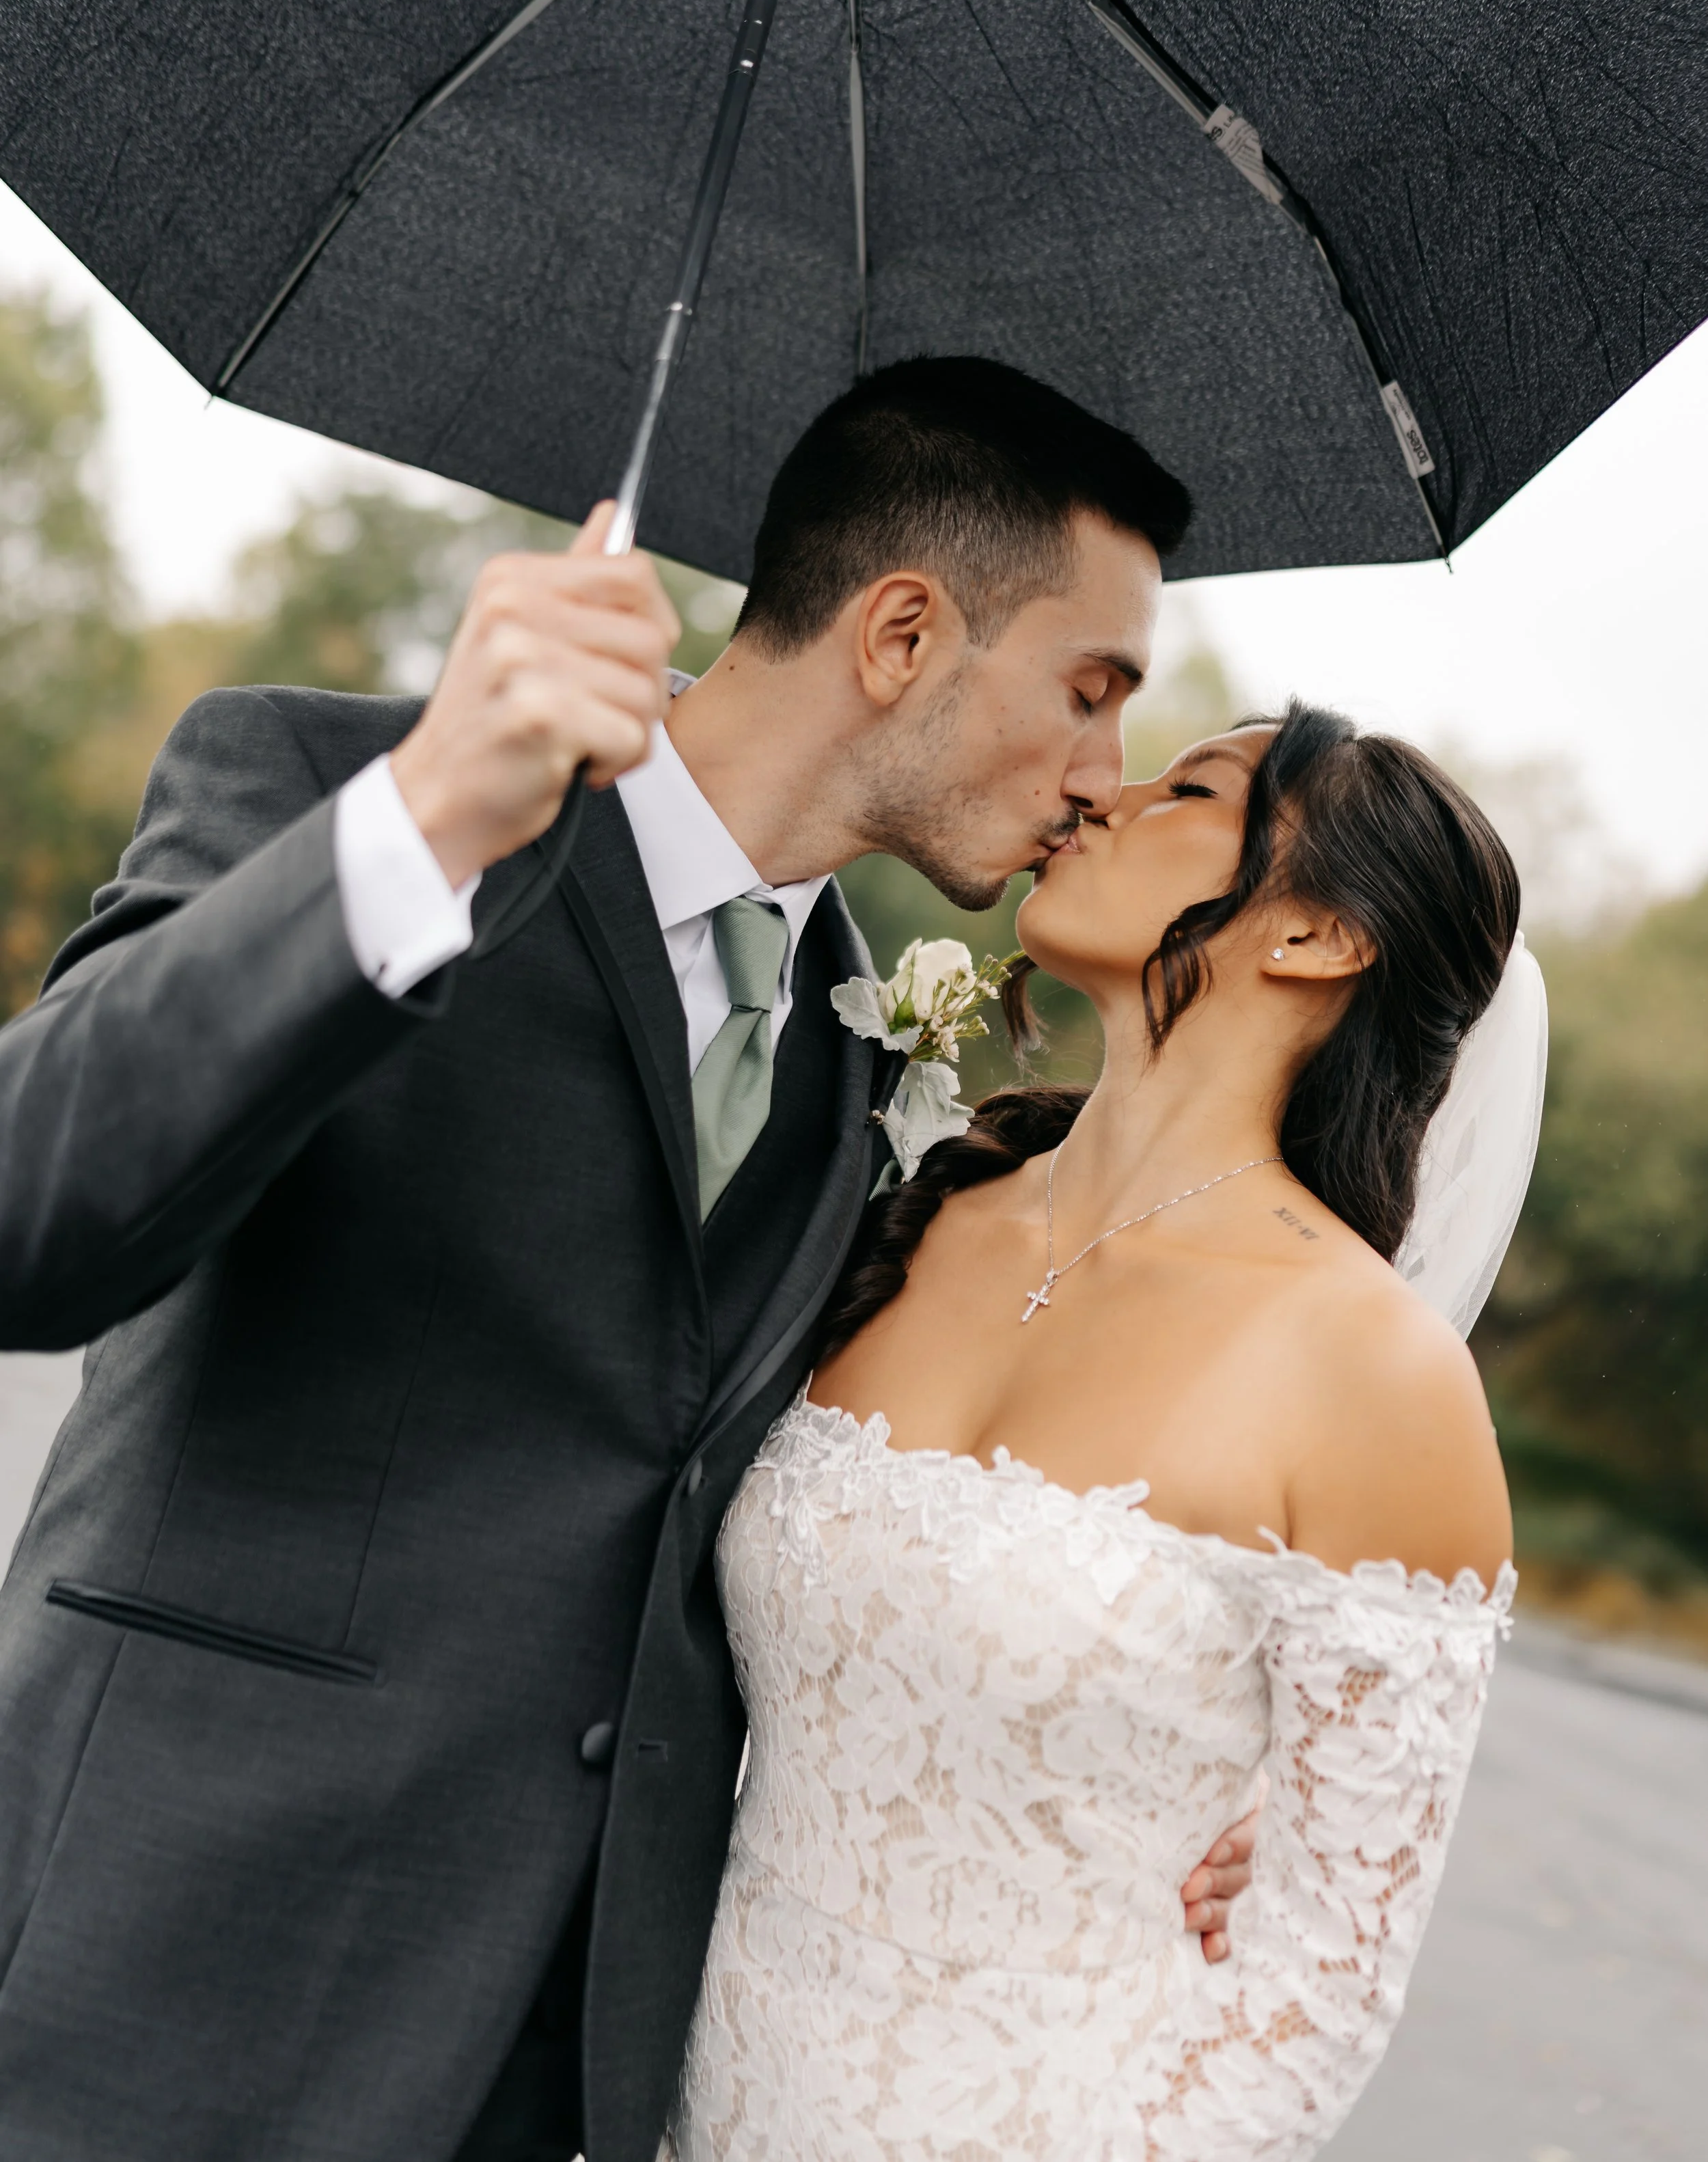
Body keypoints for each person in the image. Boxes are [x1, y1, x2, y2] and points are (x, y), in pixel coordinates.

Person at [0, 361, 1259, 2162]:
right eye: (1088, 689)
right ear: (900, 632)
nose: (1099, 778)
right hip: (163, 1986)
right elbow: (29, 1223)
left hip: (543, 2083)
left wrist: (1140, 1771)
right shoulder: (326, 785)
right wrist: (433, 813)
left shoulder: (851, 1063)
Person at [665, 705, 1523, 2161]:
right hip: (687, 2093)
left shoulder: (1376, 1379)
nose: (1102, 797)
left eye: (1190, 789)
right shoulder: (906, 1217)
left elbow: (1318, 1989)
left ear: (1316, 938)